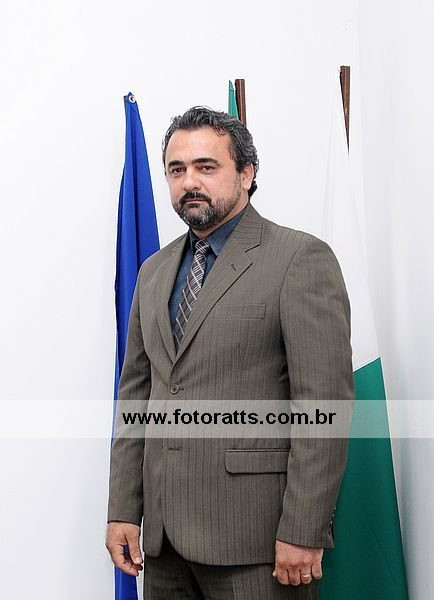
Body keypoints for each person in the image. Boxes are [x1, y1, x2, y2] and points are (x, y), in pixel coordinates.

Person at [106, 107, 354, 599]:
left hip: (257, 541)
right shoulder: (153, 272)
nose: (189, 182)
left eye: (206, 166)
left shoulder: (299, 259)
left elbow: (323, 406)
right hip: (163, 544)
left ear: (245, 173)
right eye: (177, 169)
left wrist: (303, 528)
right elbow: (136, 396)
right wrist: (122, 509)